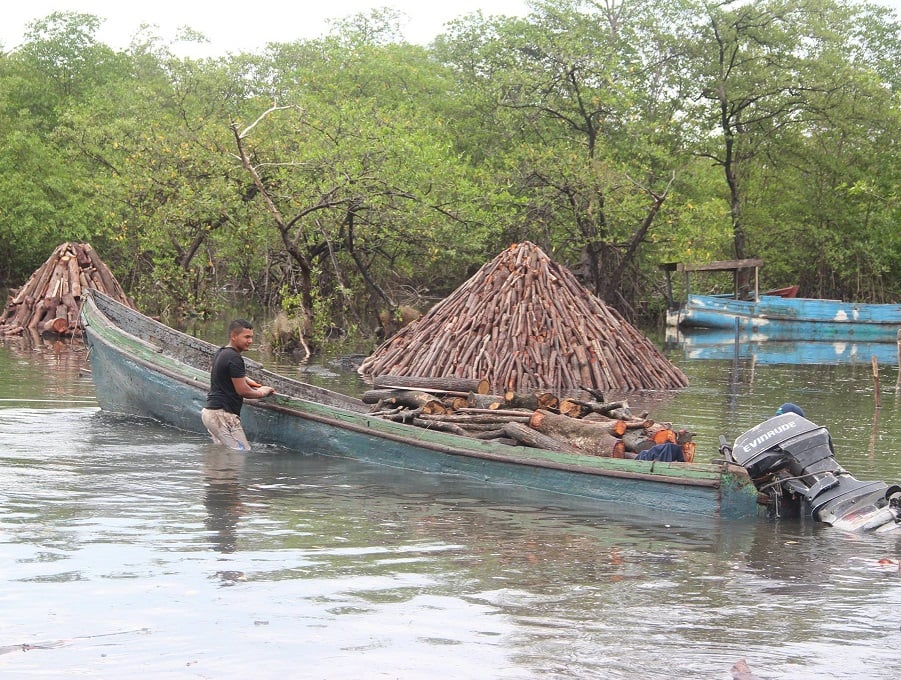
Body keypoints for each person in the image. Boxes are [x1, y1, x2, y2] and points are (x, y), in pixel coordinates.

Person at [201, 319, 275, 450]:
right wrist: (263, 391)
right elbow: (243, 391)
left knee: (220, 458)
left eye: (251, 337)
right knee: (241, 452)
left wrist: (246, 379)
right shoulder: (235, 358)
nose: (250, 341)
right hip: (222, 417)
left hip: (210, 413)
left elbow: (219, 372)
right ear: (234, 336)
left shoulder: (222, 352)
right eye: (246, 337)